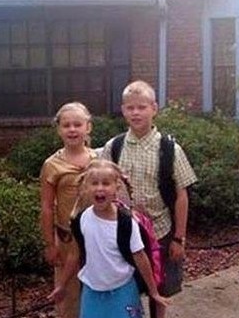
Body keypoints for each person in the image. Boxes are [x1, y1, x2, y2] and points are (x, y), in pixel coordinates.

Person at [101, 80, 198, 318]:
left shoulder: (169, 149)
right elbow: (101, 186)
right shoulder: (114, 147)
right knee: (126, 288)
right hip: (123, 232)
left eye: (142, 107)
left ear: (154, 108)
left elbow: (182, 195)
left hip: (160, 232)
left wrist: (179, 238)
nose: (136, 113)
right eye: (130, 107)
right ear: (123, 110)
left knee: (160, 289)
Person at [48, 159, 171, 318]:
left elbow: (140, 257)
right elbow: (74, 254)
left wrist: (153, 292)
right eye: (94, 183)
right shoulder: (82, 219)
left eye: (106, 183)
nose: (100, 188)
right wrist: (62, 285)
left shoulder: (126, 223)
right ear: (86, 187)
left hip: (123, 291)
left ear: (116, 188)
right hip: (92, 292)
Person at [40, 102, 97, 318]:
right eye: (66, 125)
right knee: (68, 295)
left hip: (97, 238)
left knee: (97, 289)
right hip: (67, 239)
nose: (72, 129)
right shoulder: (52, 165)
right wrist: (49, 244)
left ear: (88, 127)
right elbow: (47, 207)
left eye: (77, 124)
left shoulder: (99, 160)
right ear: (59, 129)